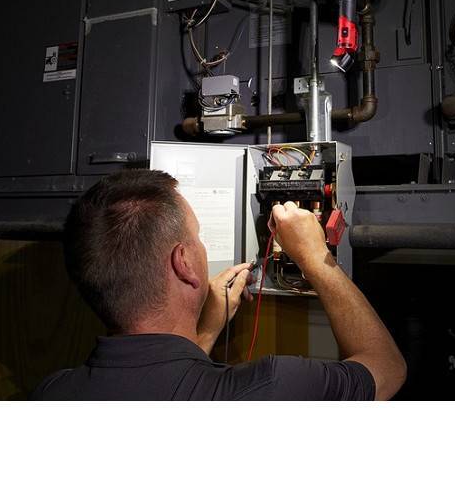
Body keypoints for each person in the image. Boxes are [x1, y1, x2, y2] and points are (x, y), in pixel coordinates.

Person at [32, 169, 406, 400]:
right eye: (197, 237)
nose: (202, 246)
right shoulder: (270, 388)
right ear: (183, 263)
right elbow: (387, 369)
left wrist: (207, 331)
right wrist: (315, 258)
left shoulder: (53, 392)